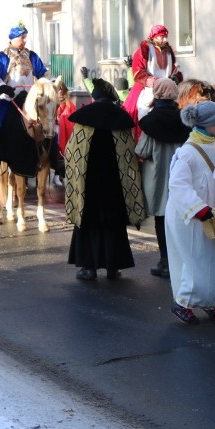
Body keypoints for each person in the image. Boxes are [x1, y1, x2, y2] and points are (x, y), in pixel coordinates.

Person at [164, 101, 215, 324]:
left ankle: (209, 300)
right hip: (190, 218)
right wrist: (199, 209)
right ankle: (182, 303)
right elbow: (178, 186)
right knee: (194, 259)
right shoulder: (187, 153)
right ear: (207, 124)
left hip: (211, 214)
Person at [65, 78, 146, 281]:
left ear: (95, 96)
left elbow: (73, 152)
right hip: (114, 182)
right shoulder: (121, 118)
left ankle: (89, 268)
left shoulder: (83, 118)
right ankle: (113, 267)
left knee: (88, 223)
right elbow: (128, 154)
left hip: (88, 183)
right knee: (113, 225)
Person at [135, 78, 190, 279]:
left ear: (156, 94)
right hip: (181, 175)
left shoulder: (150, 120)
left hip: (157, 177)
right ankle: (182, 260)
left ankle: (165, 260)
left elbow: (143, 150)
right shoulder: (184, 118)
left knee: (161, 219)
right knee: (181, 219)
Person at [0, 23, 48, 159]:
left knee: (48, 121)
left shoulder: (32, 56)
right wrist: (1, 87)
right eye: (22, 37)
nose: (25, 40)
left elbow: (43, 72)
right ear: (13, 38)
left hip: (29, 100)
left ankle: (53, 157)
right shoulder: (1, 57)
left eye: (25, 37)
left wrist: (52, 82)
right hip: (8, 98)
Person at [122, 25, 183, 141]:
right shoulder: (143, 51)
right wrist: (152, 81)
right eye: (161, 37)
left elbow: (173, 70)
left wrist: (175, 77)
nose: (165, 40)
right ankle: (143, 138)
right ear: (154, 37)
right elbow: (138, 72)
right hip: (147, 88)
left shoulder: (169, 52)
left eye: (166, 37)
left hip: (167, 87)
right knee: (143, 108)